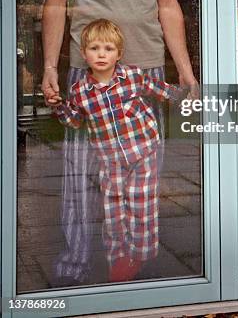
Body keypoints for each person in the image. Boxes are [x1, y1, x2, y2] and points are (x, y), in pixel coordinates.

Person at [42, 0, 197, 286]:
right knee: (79, 177)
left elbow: (168, 5)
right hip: (87, 71)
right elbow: (56, 0)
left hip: (145, 68)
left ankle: (135, 270)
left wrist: (184, 72)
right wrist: (51, 67)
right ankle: (73, 271)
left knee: (142, 179)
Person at [53, 19, 182, 283]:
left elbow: (161, 90)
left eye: (108, 49)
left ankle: (140, 256)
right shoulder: (80, 92)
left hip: (143, 151)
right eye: (95, 48)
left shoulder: (132, 77)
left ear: (119, 54)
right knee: (113, 214)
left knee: (140, 205)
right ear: (84, 53)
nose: (101, 54)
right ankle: (119, 263)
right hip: (109, 160)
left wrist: (185, 97)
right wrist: (59, 106)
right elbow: (74, 121)